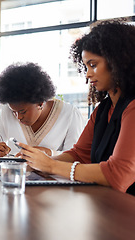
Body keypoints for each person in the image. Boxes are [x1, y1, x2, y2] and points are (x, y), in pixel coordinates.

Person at [19, 19, 135, 195]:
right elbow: (79, 154)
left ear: (118, 61)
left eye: (93, 65)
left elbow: (119, 174)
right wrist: (37, 162)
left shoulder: (133, 107)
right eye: (86, 66)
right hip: (107, 206)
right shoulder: (103, 110)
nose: (88, 74)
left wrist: (50, 165)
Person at [0, 62, 85, 157]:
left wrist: (50, 153)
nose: (18, 117)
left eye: (22, 111)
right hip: (13, 171)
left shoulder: (70, 114)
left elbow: (76, 156)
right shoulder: (6, 111)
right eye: (13, 112)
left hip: (52, 172)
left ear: (40, 103)